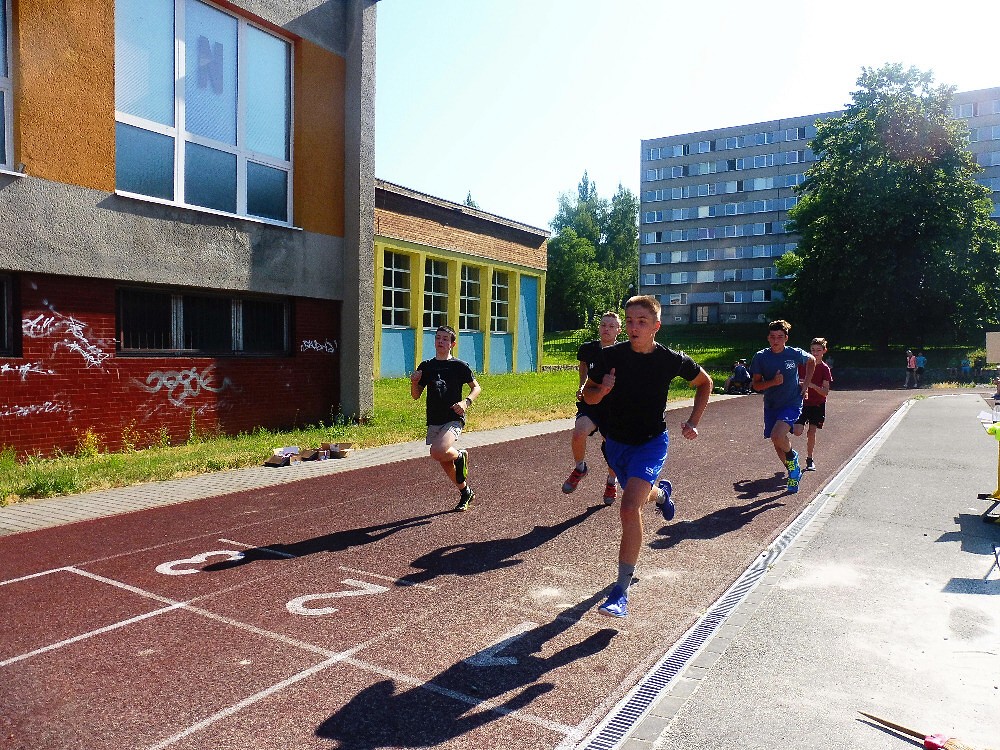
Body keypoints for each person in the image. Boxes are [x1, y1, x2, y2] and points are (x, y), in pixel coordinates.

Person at [583, 295, 713, 618]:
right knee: (637, 496)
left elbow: (705, 383)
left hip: (651, 443)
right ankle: (661, 494)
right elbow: (587, 395)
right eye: (629, 321)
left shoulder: (670, 360)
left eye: (641, 322)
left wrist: (694, 421)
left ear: (656, 326)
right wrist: (602, 390)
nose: (633, 327)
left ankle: (620, 592)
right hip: (616, 444)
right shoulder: (609, 356)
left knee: (629, 508)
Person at [410, 325, 482, 512]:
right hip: (434, 419)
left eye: (445, 339)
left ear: (452, 344)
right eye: (438, 338)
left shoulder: (459, 366)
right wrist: (414, 382)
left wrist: (466, 402)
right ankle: (465, 492)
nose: (440, 341)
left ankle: (460, 455)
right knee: (443, 458)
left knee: (437, 451)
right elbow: (416, 395)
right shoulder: (426, 366)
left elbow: (476, 387)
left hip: (453, 417)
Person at [749, 320, 815, 494]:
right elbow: (756, 385)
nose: (775, 340)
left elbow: (812, 360)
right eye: (772, 337)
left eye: (779, 337)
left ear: (786, 338)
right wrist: (773, 382)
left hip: (792, 402)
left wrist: (806, 385)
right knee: (777, 443)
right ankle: (793, 472)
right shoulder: (760, 357)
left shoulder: (794, 353)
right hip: (772, 404)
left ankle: (793, 457)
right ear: (768, 338)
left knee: (777, 435)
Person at [563, 312, 621, 505]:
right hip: (592, 401)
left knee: (611, 447)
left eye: (611, 326)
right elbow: (584, 366)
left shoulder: (624, 353)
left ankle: (611, 481)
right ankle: (580, 468)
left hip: (613, 408)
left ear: (619, 330)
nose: (607, 329)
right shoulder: (588, 349)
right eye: (604, 325)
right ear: (599, 327)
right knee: (579, 432)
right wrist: (582, 385)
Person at [793, 337, 832, 471]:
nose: (815, 353)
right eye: (813, 350)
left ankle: (809, 459)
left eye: (818, 350)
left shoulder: (825, 369)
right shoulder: (802, 365)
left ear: (824, 351)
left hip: (817, 404)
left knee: (812, 432)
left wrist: (812, 385)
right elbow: (794, 380)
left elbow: (825, 392)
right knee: (797, 431)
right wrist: (799, 384)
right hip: (802, 402)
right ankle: (791, 452)